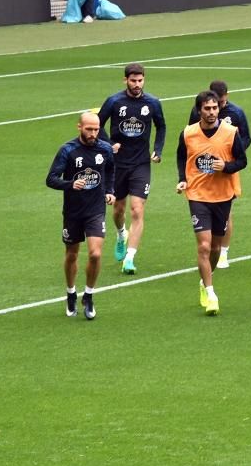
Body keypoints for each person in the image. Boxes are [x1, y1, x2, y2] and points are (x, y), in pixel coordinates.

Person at [176, 90, 247, 316]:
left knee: (215, 247)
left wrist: (225, 167)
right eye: (207, 108)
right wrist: (182, 179)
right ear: (199, 110)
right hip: (197, 195)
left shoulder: (230, 132)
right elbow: (181, 156)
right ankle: (210, 291)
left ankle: (206, 277)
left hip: (223, 195)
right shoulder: (188, 133)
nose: (211, 112)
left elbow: (242, 161)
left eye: (215, 108)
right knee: (204, 246)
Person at [97, 63, 166, 275]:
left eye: (140, 80)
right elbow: (97, 124)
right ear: (125, 80)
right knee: (118, 209)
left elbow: (161, 126)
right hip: (117, 165)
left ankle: (130, 257)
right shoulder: (114, 101)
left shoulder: (152, 102)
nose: (137, 85)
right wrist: (108, 144)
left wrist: (157, 149)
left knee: (137, 209)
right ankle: (120, 234)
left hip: (141, 164)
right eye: (133, 81)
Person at [46, 112, 115, 321]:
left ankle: (89, 295)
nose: (93, 133)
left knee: (95, 254)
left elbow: (111, 170)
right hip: (73, 212)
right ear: (79, 127)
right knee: (72, 254)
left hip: (95, 211)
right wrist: (70, 184)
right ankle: (70, 292)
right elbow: (51, 179)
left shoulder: (105, 149)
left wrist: (110, 190)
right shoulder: (68, 150)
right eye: (89, 129)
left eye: (96, 129)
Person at [189, 80, 251, 269]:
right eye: (214, 105)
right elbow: (191, 138)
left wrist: (230, 155)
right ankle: (211, 251)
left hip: (227, 170)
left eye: (221, 104)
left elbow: (247, 138)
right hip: (202, 173)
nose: (218, 108)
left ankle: (224, 251)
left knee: (227, 212)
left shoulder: (236, 113)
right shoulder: (197, 114)